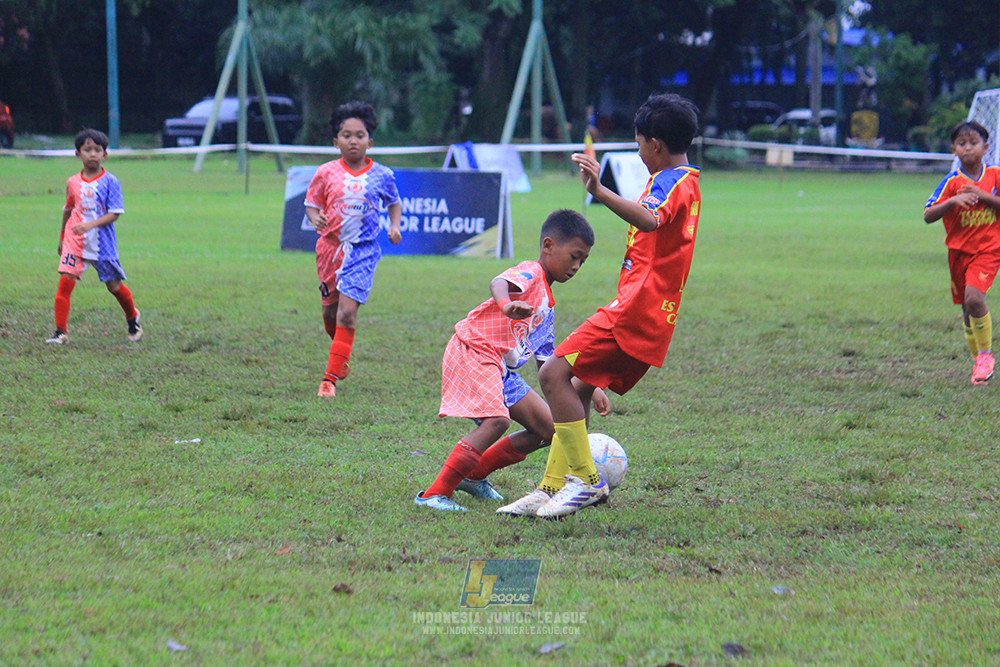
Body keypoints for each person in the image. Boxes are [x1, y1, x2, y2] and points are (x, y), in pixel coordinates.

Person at [499, 92, 702, 519]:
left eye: (639, 144)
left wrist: (598, 189)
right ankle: (551, 487)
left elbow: (649, 219)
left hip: (635, 310)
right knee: (579, 387)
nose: (639, 151)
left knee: (554, 373)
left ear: (655, 145)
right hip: (651, 314)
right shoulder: (691, 182)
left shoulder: (670, 181)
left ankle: (588, 483)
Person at [415, 209, 605, 511]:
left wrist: (589, 387)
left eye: (583, 261)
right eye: (574, 256)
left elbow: (550, 366)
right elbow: (498, 281)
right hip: (474, 350)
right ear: (548, 246)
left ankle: (474, 476)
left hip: (499, 367)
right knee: (497, 420)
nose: (577, 266)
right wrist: (506, 304)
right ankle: (434, 494)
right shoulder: (531, 273)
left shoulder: (548, 307)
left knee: (551, 430)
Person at [304, 101, 402, 398]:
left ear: (369, 142)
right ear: (336, 142)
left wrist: (394, 226)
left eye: (359, 135)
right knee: (331, 314)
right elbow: (311, 204)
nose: (353, 140)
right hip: (330, 251)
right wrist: (315, 218)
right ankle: (340, 352)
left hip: (363, 251)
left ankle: (328, 379)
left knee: (347, 314)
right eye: (346, 135)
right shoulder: (325, 173)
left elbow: (394, 202)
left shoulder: (382, 175)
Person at [46, 128, 142, 345]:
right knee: (65, 281)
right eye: (87, 149)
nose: (92, 154)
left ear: (104, 155)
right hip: (75, 241)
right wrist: (62, 236)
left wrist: (90, 224)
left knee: (114, 287)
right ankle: (60, 332)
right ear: (78, 154)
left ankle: (132, 318)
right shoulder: (72, 182)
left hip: (102, 243)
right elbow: (68, 209)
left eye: (97, 150)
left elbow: (115, 213)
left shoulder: (111, 181)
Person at [924, 120, 1000, 385]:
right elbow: (928, 214)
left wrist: (983, 195)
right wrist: (953, 201)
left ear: (986, 147)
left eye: (974, 143)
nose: (968, 148)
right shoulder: (951, 182)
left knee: (974, 298)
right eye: (961, 143)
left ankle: (986, 355)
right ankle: (978, 359)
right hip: (958, 253)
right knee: (968, 308)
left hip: (989, 250)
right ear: (953, 149)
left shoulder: (995, 175)